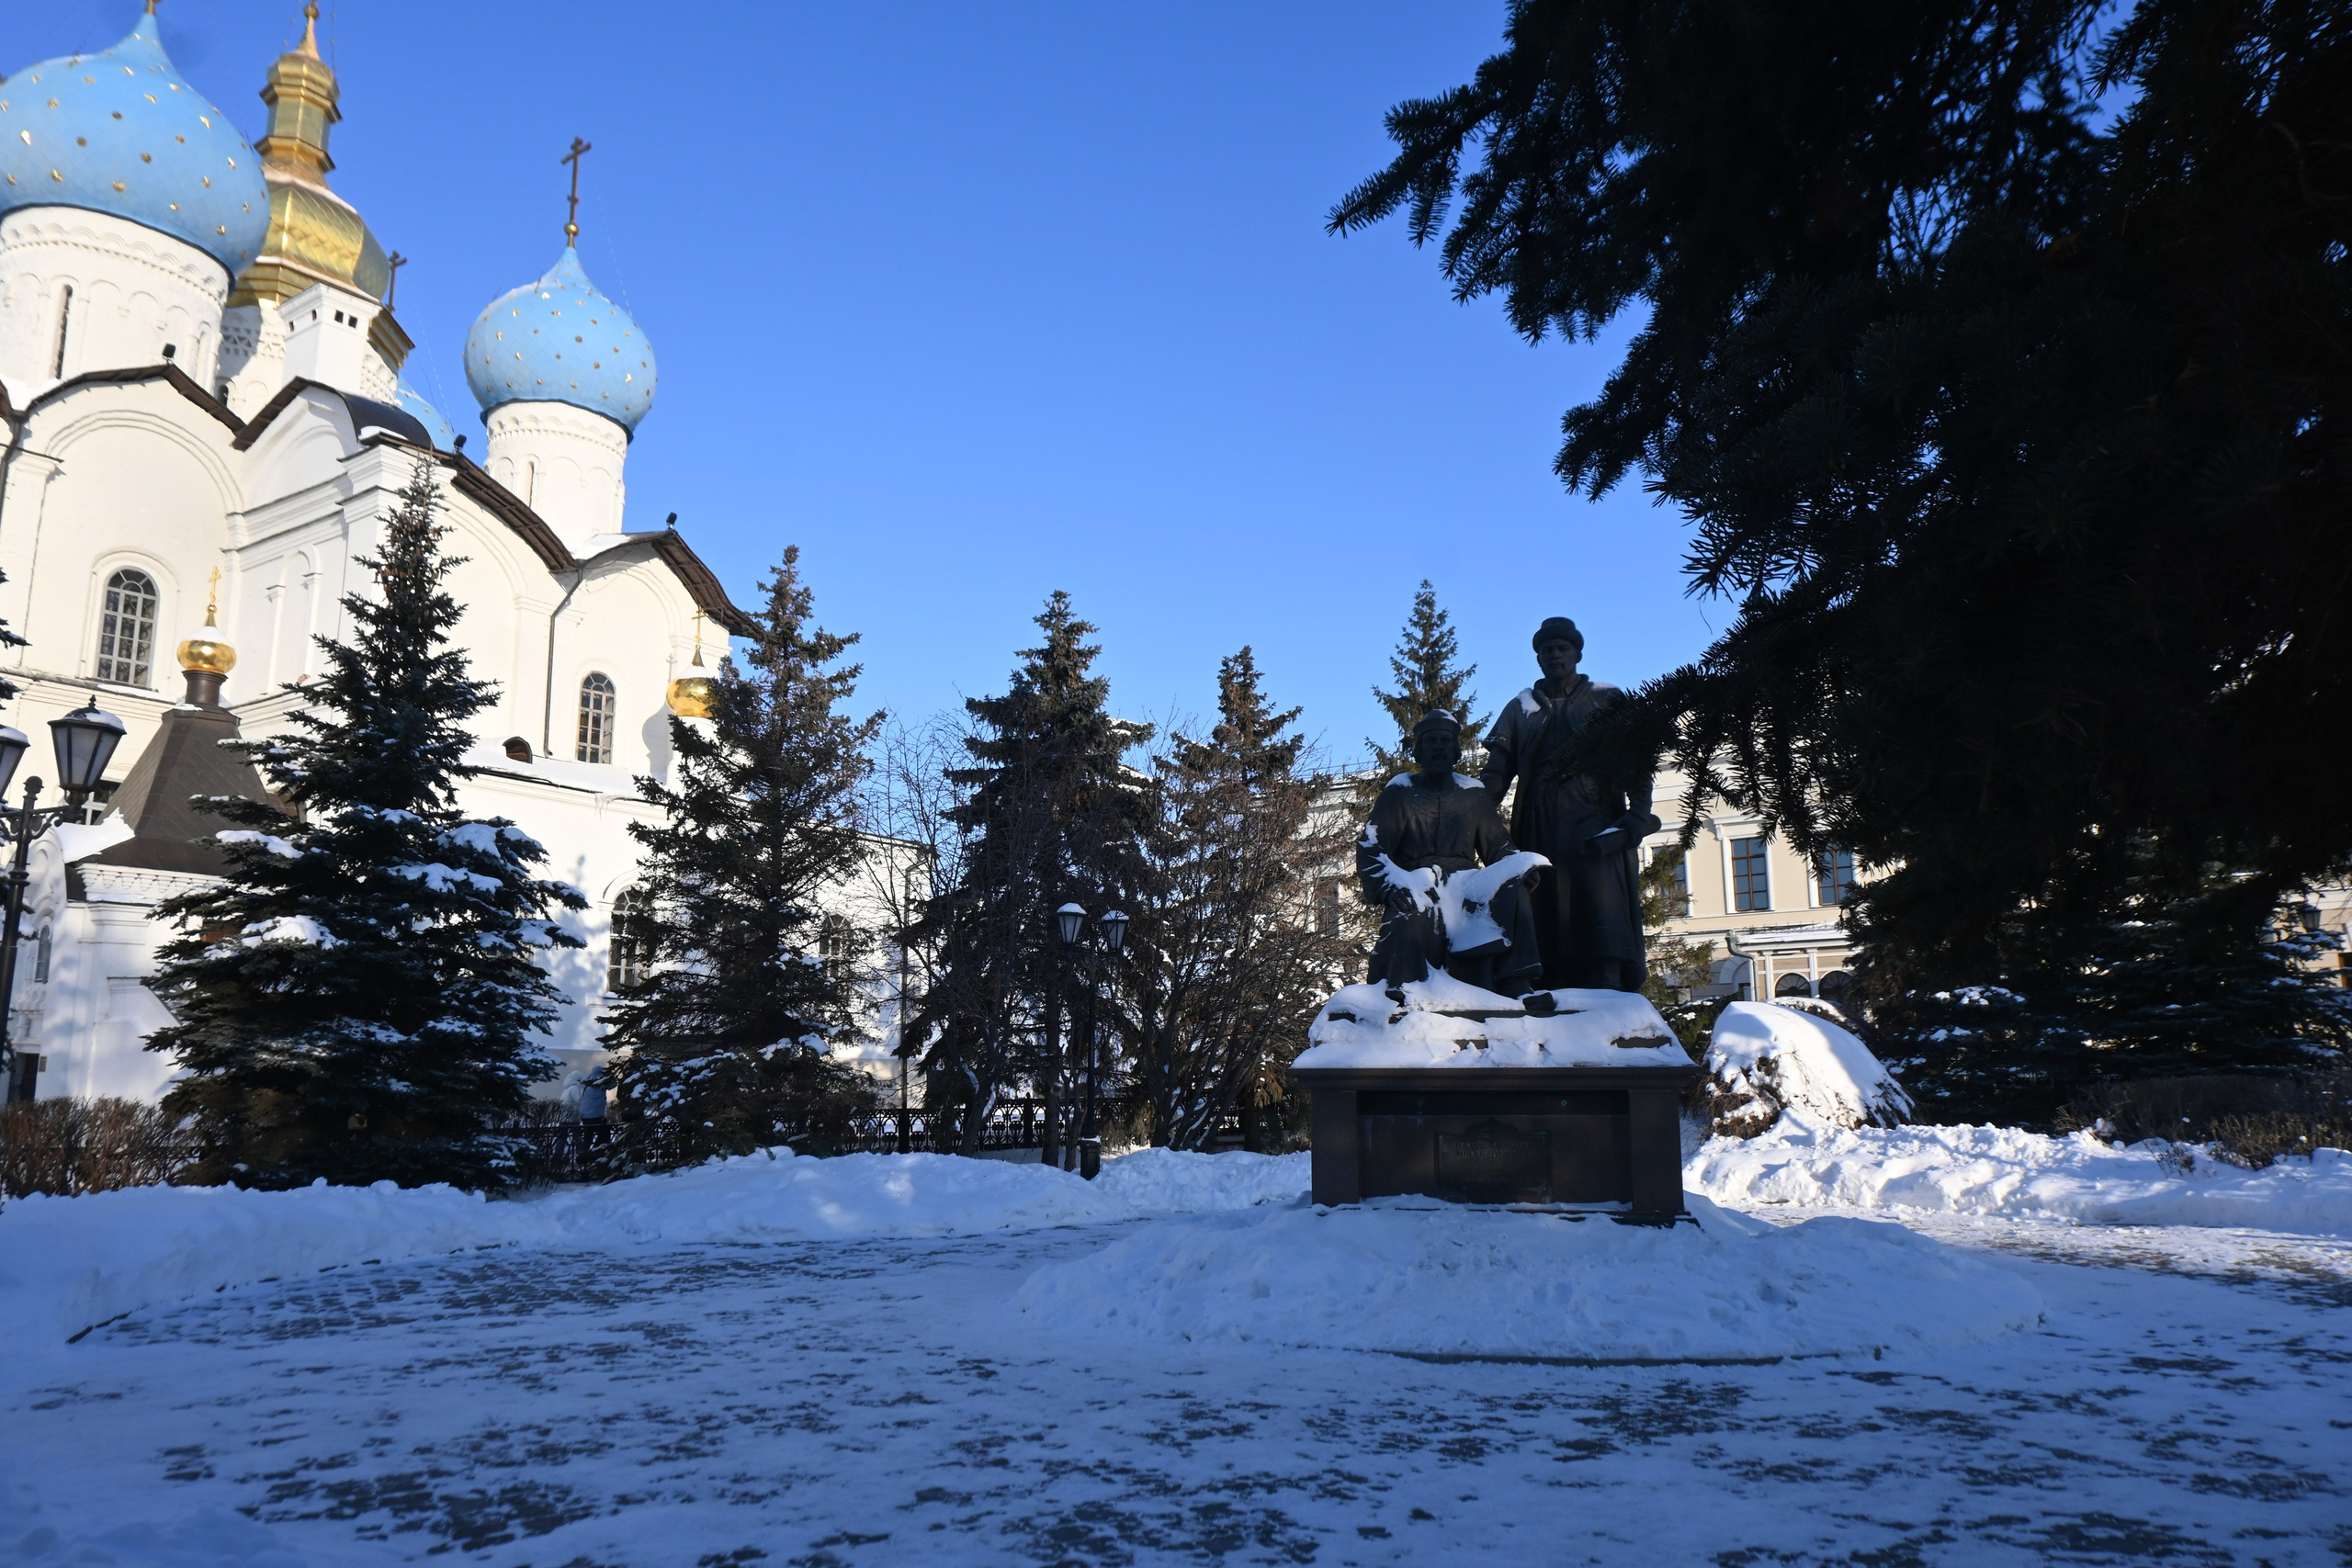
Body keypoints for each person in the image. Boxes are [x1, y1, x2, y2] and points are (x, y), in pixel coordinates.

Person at [1479, 616, 1661, 993]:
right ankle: (1547, 981)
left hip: (1594, 818)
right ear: (1538, 658)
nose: (1555, 655)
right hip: (1538, 821)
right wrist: (1471, 813)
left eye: (1563, 648)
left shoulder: (1607, 699)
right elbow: (1497, 772)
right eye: (1547, 649)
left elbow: (1636, 764)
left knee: (1598, 896)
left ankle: (1607, 981)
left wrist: (1637, 815)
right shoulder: (1521, 707)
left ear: (1578, 653)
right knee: (1542, 898)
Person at [1357, 710, 1544, 998]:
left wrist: (1518, 870)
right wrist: (1387, 886)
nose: (1439, 747)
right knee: (1413, 909)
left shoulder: (1473, 794)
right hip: (1418, 882)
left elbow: (1499, 847)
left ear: (1456, 750)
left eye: (1446, 741)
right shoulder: (1400, 793)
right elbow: (1372, 847)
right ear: (1419, 751)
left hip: (1467, 884)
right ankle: (1405, 992)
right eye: (1431, 741)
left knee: (1513, 893)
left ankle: (1518, 985)